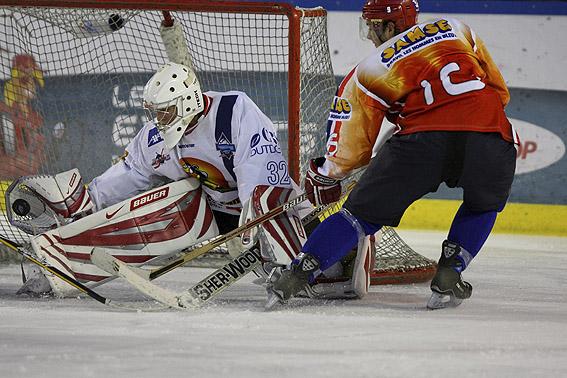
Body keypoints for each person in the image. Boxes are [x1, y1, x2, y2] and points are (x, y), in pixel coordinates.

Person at [266, 0, 518, 310]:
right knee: (482, 206)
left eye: (373, 26)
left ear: (389, 26)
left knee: (359, 218)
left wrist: (327, 177)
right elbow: (499, 91)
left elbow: (350, 151)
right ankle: (450, 274)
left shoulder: (369, 69)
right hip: (491, 133)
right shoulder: (457, 29)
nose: (370, 35)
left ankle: (297, 274)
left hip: (420, 142)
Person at [15, 61, 308, 295]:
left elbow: (261, 167)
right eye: (155, 113)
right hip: (214, 209)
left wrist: (253, 220)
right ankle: (62, 260)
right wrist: (87, 203)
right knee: (167, 201)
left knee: (322, 280)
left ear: (189, 101)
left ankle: (305, 264)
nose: (160, 120)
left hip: (266, 208)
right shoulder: (154, 137)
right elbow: (130, 173)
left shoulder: (233, 111)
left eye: (166, 112)